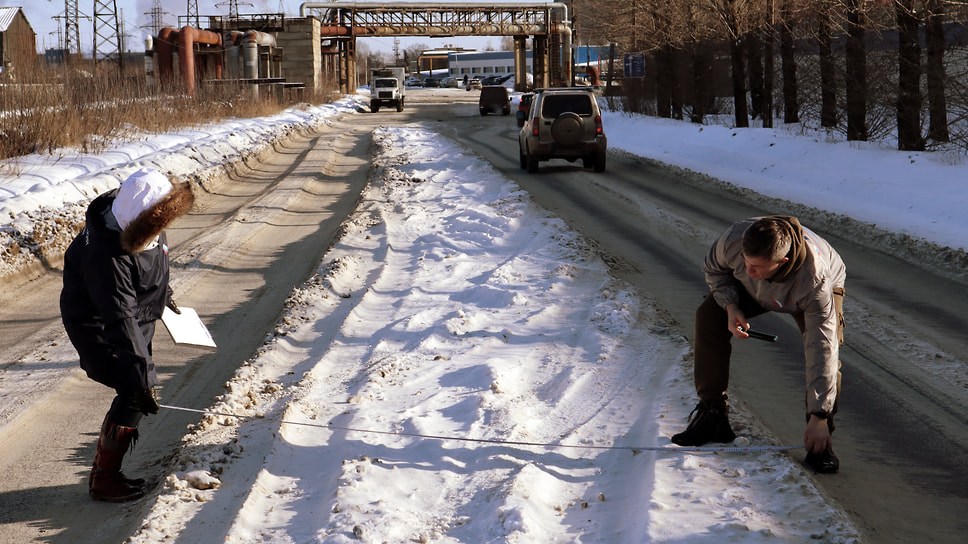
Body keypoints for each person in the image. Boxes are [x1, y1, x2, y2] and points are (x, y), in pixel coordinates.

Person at [671, 216, 846, 474]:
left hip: (808, 289)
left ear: (781, 263)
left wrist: (820, 415)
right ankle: (713, 415)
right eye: (745, 261)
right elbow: (715, 270)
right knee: (709, 315)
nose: (747, 269)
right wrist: (731, 307)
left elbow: (823, 349)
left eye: (756, 266)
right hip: (758, 289)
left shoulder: (814, 280)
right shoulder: (734, 240)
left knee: (823, 350)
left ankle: (819, 440)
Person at [60, 168, 194, 501]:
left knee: (135, 384)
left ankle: (103, 474)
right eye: (158, 223)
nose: (164, 229)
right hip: (99, 326)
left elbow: (155, 263)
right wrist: (144, 380)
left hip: (133, 316)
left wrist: (165, 294)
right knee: (133, 391)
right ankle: (105, 480)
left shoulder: (144, 221)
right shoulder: (108, 255)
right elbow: (120, 317)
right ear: (138, 221)